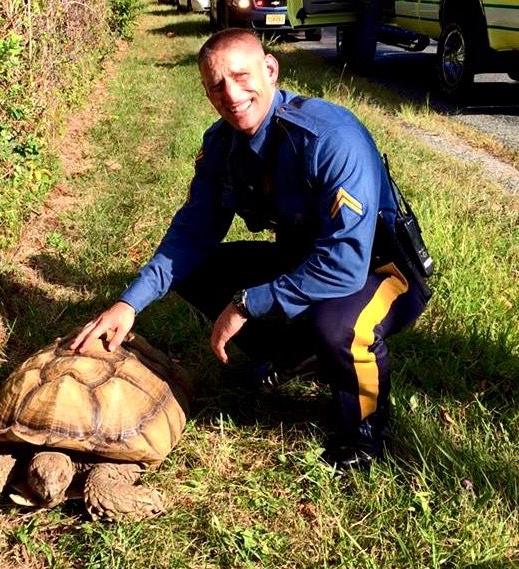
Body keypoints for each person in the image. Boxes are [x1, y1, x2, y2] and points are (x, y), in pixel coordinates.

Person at [71, 28, 430, 471]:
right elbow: (191, 235)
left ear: (271, 70)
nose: (231, 94)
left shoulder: (329, 138)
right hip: (308, 260)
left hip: (381, 270)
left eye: (241, 76)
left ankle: (364, 431)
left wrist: (247, 303)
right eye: (216, 85)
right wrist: (128, 304)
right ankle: (297, 354)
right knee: (197, 267)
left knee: (339, 324)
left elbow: (345, 265)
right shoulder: (222, 146)